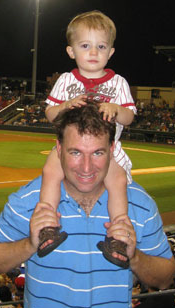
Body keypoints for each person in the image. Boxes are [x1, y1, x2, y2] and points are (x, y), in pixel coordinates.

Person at [0, 104, 175, 308]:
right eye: (75, 152)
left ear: (111, 150)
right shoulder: (31, 200)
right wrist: (28, 245)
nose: (87, 167)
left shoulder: (139, 204)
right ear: (59, 149)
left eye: (97, 152)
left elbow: (166, 277)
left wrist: (134, 258)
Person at [39, 10, 136, 267]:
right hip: (68, 148)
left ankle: (118, 234)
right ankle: (47, 225)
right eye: (85, 45)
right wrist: (66, 105)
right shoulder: (66, 80)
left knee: (117, 180)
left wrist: (117, 110)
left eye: (101, 46)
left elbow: (129, 117)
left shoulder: (118, 82)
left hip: (108, 151)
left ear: (110, 52)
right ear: (71, 51)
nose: (93, 52)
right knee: (50, 171)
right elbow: (49, 113)